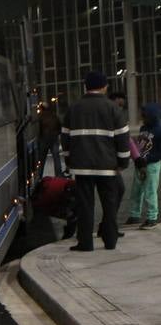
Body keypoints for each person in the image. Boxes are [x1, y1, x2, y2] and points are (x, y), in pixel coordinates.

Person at [63, 71, 131, 251]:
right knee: (109, 204)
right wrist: (123, 163)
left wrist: (69, 160)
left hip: (82, 167)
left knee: (85, 206)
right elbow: (123, 138)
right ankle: (110, 241)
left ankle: (85, 243)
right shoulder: (112, 108)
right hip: (107, 166)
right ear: (104, 87)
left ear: (86, 86)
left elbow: (65, 137)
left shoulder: (74, 108)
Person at [126, 103, 161, 229]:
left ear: (152, 116)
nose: (142, 118)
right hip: (140, 164)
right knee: (136, 190)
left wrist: (148, 159)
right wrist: (138, 158)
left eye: (145, 115)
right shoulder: (143, 128)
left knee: (150, 191)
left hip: (152, 165)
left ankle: (152, 217)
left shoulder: (159, 130)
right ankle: (135, 215)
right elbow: (139, 144)